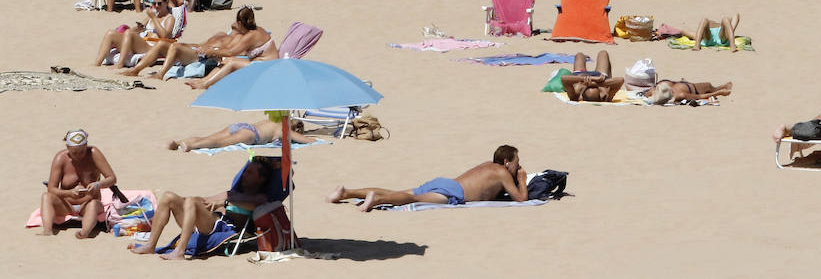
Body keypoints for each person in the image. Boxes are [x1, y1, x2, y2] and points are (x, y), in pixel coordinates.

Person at [128, 156, 280, 258]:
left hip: (223, 227)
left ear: (261, 179)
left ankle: (180, 251)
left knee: (193, 202)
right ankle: (150, 245)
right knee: (169, 197)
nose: (244, 175)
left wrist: (224, 203)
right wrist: (183, 201)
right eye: (245, 171)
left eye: (249, 173)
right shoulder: (231, 193)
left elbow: (253, 205)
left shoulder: (260, 197)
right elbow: (207, 200)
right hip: (207, 222)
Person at [327, 145, 527, 212]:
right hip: (453, 193)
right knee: (411, 198)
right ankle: (377, 200)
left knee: (399, 192)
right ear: (507, 162)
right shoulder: (502, 172)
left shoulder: (487, 165)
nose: (519, 165)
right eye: (517, 161)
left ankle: (347, 192)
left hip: (445, 183)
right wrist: (522, 179)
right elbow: (520, 199)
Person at [122, 6, 270, 80]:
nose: (233, 25)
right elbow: (201, 43)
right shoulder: (221, 34)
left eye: (236, 24)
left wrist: (213, 51)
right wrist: (190, 45)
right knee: (162, 44)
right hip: (196, 50)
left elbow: (233, 54)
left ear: (241, 25)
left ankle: (160, 74)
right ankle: (136, 70)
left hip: (203, 57)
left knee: (174, 46)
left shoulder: (241, 39)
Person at [40, 130, 116, 239]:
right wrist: (69, 193)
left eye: (81, 152)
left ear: (86, 146)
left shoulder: (94, 153)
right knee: (46, 197)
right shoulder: (60, 158)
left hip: (89, 203)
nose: (78, 156)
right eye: (74, 152)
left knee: (93, 205)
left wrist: (98, 185)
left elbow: (112, 178)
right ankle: (47, 231)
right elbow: (51, 189)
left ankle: (84, 233)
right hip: (66, 204)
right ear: (67, 148)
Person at [94, 0, 178, 66]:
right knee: (111, 33)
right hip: (140, 42)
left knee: (129, 33)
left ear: (166, 2)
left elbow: (165, 36)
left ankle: (120, 64)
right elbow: (134, 30)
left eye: (159, 3)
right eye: (154, 3)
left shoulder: (169, 18)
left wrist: (154, 18)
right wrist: (138, 28)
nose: (156, 6)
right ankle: (97, 63)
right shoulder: (152, 15)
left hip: (152, 46)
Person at [167, 117, 312, 152]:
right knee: (220, 143)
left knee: (211, 137)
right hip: (252, 134)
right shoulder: (282, 129)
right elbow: (304, 140)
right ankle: (190, 145)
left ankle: (180, 142)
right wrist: (315, 139)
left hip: (241, 126)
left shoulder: (273, 119)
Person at [647, 78, 735, 105]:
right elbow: (700, 97)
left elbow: (644, 93)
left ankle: (721, 87)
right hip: (694, 89)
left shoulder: (655, 90)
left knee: (709, 86)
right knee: (709, 86)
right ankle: (720, 88)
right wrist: (719, 93)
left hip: (684, 84)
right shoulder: (679, 95)